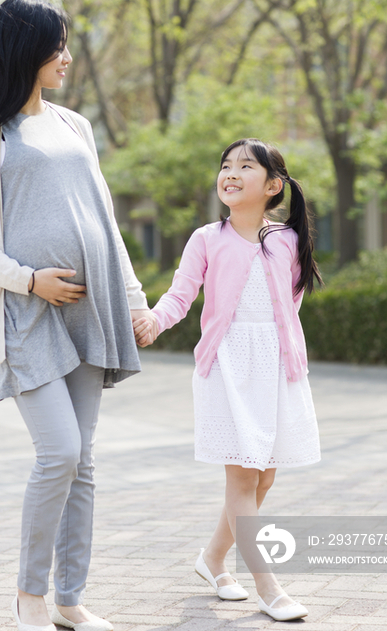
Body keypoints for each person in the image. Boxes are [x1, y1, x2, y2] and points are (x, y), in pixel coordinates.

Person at [0, 0, 156, 631]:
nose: (67, 58)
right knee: (60, 453)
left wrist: (133, 301)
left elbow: (105, 221)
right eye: (57, 47)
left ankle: (70, 601)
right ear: (25, 51)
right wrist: (28, 280)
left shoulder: (75, 126)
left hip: (89, 308)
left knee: (85, 461)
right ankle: (29, 598)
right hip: (25, 312)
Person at [133, 138, 322, 622]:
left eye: (245, 166)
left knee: (263, 475)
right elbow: (180, 295)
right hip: (228, 368)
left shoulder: (288, 240)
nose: (230, 173)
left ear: (273, 185)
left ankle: (212, 559)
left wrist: (283, 356)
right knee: (241, 474)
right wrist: (153, 321)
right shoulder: (206, 238)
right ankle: (269, 586)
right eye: (225, 166)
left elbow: (290, 307)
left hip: (277, 368)